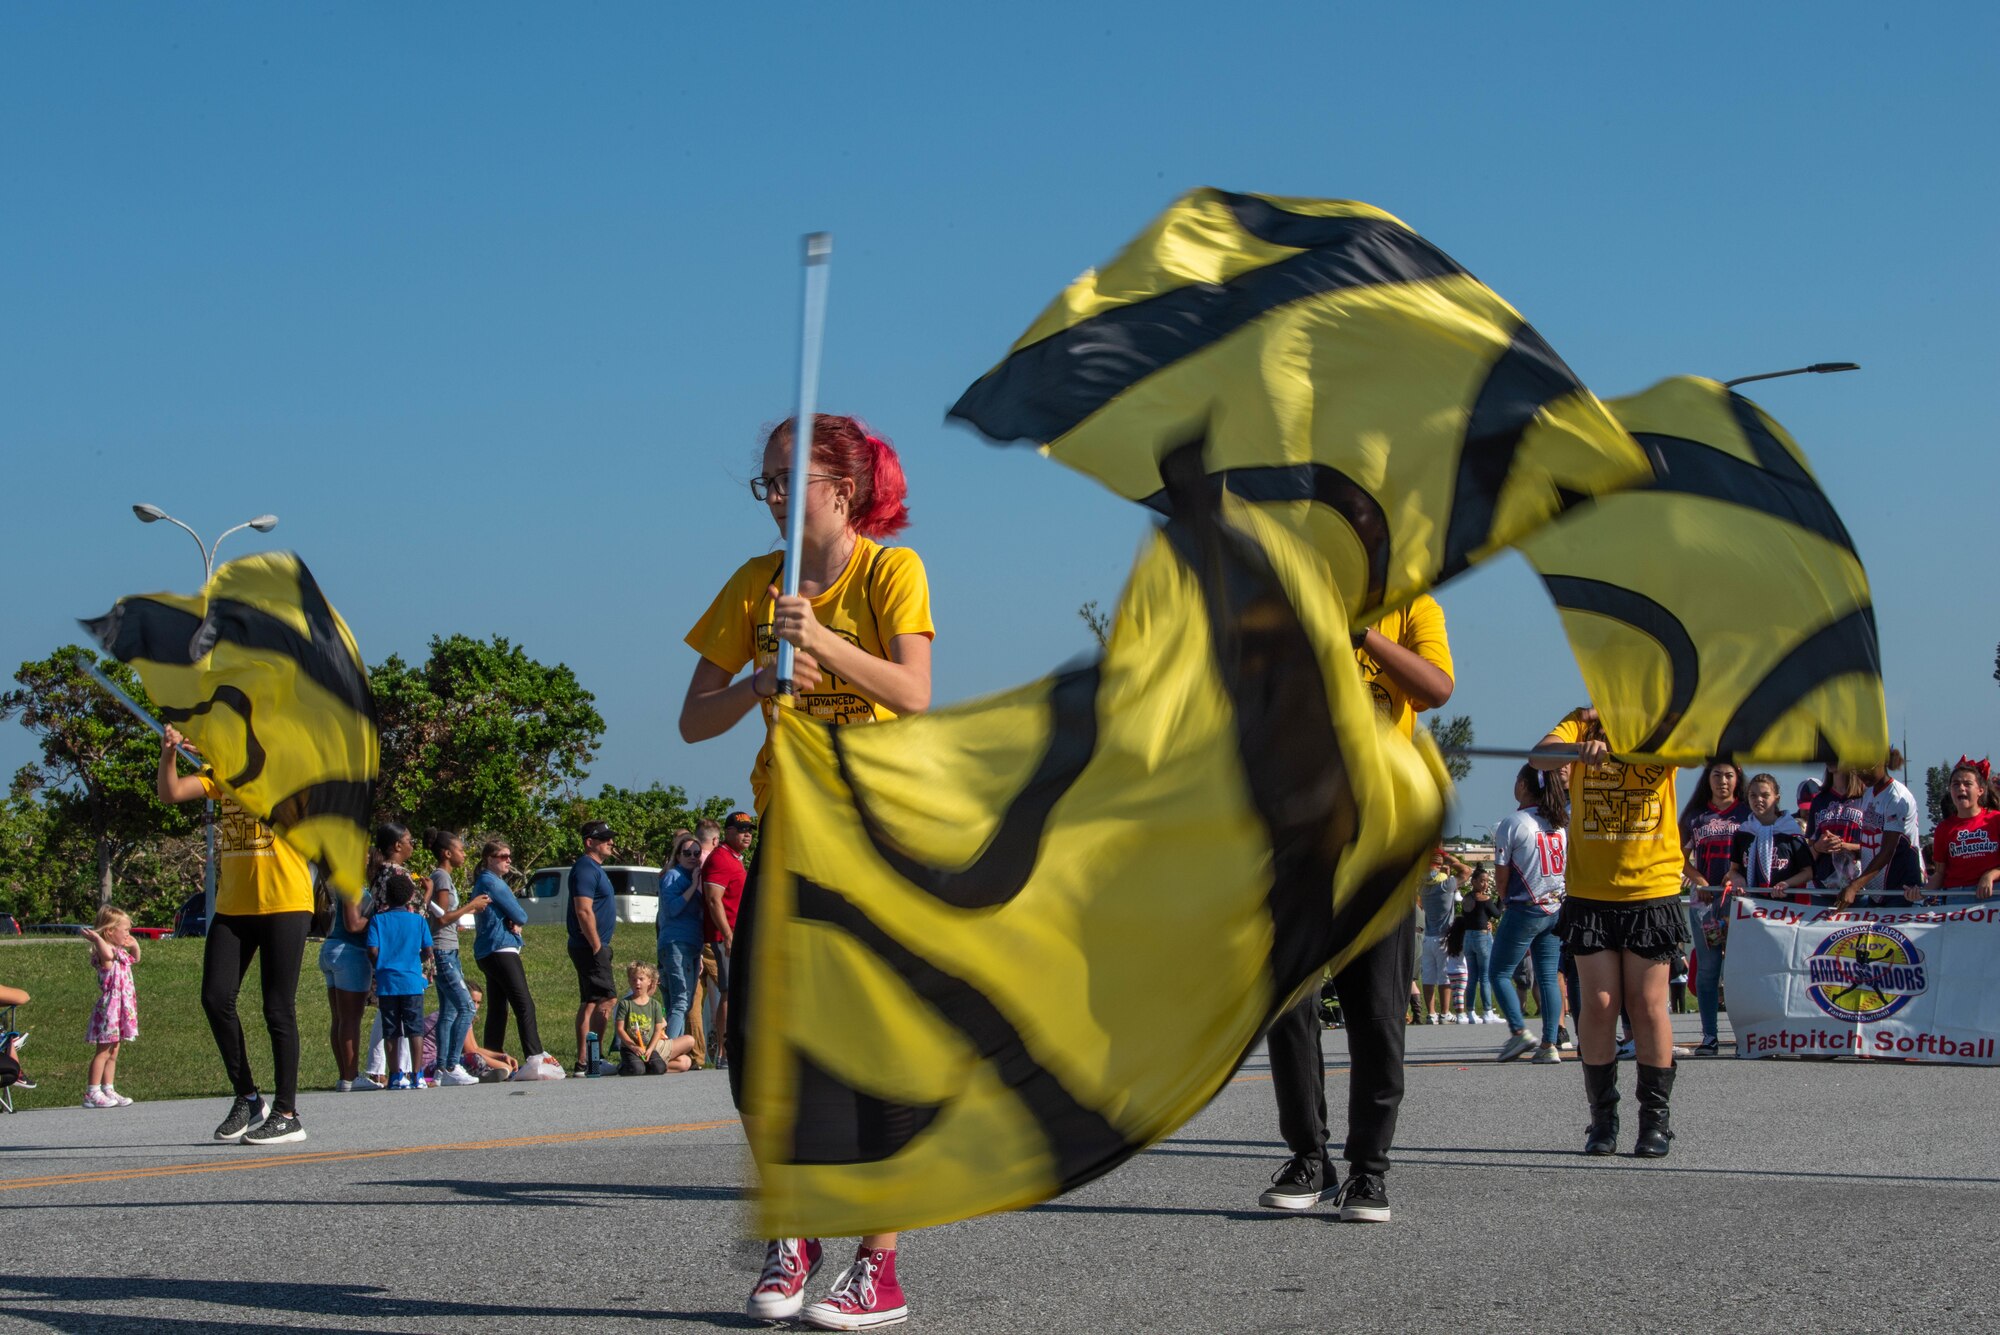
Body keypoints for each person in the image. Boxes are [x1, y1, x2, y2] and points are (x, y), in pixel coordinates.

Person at [681, 413, 933, 1328]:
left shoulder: (890, 573)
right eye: (767, 481)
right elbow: (692, 719)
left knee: (870, 1047)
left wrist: (822, 641)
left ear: (844, 489)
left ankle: (879, 1264)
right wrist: (759, 679)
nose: (775, 496)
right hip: (789, 824)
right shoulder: (756, 584)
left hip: (875, 827)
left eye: (790, 480)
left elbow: (914, 691)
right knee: (754, 1042)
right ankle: (795, 1233)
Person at [1258, 590, 1454, 1223]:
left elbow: (1437, 688)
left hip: (1381, 842)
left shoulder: (1413, 606)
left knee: (1376, 1011)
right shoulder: (1297, 596)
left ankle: (1369, 1171)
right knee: (1289, 1004)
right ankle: (1308, 1157)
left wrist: (1365, 635)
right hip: (1302, 841)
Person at [1534, 707, 1687, 1157]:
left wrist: (1644, 737)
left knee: (1647, 1004)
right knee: (1599, 1004)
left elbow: (1695, 751)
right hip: (1592, 892)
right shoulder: (1582, 721)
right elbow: (1539, 756)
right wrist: (1578, 748)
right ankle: (1602, 1119)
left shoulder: (1662, 721)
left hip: (1651, 888)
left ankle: (1655, 1121)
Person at [156, 724, 312, 1144]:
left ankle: (287, 1113)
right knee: (215, 997)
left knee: (277, 1008)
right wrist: (170, 752)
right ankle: (248, 1096)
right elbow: (171, 792)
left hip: (285, 901)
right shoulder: (220, 771)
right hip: (234, 904)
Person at [1490, 765, 1569, 1064]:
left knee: (1498, 972)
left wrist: (1505, 900)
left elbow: (1501, 877)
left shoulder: (1512, 823)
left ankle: (1519, 1030)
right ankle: (1550, 1043)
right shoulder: (1559, 823)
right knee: (1548, 977)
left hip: (1525, 906)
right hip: (1555, 906)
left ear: (1523, 785)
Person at [1680, 762, 1748, 1059]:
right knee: (1707, 970)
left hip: (1740, 900)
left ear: (1738, 778)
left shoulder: (1747, 813)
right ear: (1707, 779)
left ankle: (1745, 1035)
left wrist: (1738, 876)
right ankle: (1709, 1036)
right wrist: (1700, 881)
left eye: (1729, 775)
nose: (1723, 781)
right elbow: (1679, 858)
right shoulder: (1695, 817)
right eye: (1717, 775)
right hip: (1704, 901)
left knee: (1739, 970)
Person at [471, 837, 545, 1062]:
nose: (508, 860)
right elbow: (521, 915)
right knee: (524, 1005)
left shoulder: (484, 881)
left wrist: (513, 919)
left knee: (498, 1008)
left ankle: (492, 1058)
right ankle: (534, 1056)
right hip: (501, 949)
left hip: (487, 951)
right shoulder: (493, 882)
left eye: (509, 856)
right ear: (489, 859)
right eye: (503, 856)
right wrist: (516, 920)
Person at [424, 830, 488, 1084]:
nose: (464, 854)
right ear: (447, 853)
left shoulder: (444, 877)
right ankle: (452, 1065)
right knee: (467, 1007)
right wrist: (471, 906)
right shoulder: (441, 877)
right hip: (443, 951)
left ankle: (442, 1068)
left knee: (449, 1011)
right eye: (460, 850)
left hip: (448, 949)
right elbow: (441, 918)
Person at [365, 869, 432, 1091]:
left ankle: (395, 1075)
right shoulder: (418, 921)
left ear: (387, 895)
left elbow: (372, 950)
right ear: (410, 896)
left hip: (387, 982)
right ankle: (417, 1074)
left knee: (391, 1029)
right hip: (412, 980)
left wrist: (381, 963)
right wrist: (415, 961)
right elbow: (428, 950)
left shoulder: (378, 920)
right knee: (415, 1029)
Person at [1838, 751, 1926, 909]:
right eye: (1857, 769)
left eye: (1868, 768)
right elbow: (1871, 841)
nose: (1863, 774)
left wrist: (1855, 886)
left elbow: (1887, 851)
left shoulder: (1896, 798)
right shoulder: (1868, 793)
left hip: (1901, 890)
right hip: (1877, 892)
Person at [701, 813, 755, 1068]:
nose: (747, 834)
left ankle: (736, 1048)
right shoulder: (720, 858)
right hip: (725, 937)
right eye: (741, 829)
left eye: (750, 830)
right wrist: (729, 935)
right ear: (728, 831)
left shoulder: (734, 858)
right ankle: (724, 1052)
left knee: (737, 991)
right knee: (728, 991)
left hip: (738, 934)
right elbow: (714, 900)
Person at [567, 820, 620, 1076]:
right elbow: (583, 910)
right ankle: (593, 1060)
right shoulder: (585, 868)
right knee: (607, 999)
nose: (611, 842)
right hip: (590, 946)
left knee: (590, 1002)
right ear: (590, 842)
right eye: (605, 838)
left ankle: (583, 1062)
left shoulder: (594, 868)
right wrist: (597, 946)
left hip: (590, 945)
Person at [80, 907, 141, 1108]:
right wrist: (97, 939)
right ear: (110, 931)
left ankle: (108, 1088)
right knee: (104, 1051)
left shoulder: (120, 953)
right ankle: (92, 1091)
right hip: (110, 1009)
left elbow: (136, 959)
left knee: (114, 1051)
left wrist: (135, 945)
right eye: (125, 930)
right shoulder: (104, 953)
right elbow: (107, 954)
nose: (128, 934)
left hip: (122, 1006)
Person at [1728, 774, 1816, 898]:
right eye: (1753, 795)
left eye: (1765, 795)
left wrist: (1786, 884)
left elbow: (1808, 872)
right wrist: (1737, 879)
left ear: (1777, 799)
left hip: (1785, 904)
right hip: (1749, 903)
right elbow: (1733, 870)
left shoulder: (1790, 831)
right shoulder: (1743, 832)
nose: (1758, 799)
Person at [657, 834, 706, 1041]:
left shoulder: (691, 877)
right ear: (678, 855)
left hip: (692, 946)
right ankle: (668, 1051)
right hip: (676, 944)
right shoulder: (673, 876)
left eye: (697, 853)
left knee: (677, 1003)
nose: (692, 857)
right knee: (681, 1001)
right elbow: (672, 909)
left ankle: (668, 1048)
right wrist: (693, 886)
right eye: (687, 853)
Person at [1927, 758, 2000, 897]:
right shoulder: (1943, 828)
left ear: (1980, 790)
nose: (1961, 788)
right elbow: (1939, 874)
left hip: (1994, 895)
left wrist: (1990, 875)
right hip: (1957, 898)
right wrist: (1920, 892)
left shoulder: (1996, 820)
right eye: (1956, 784)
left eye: (1967, 784)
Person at [615, 962, 698, 1075]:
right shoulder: (625, 1004)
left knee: (659, 1068)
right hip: (632, 1048)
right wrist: (633, 1047)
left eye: (641, 979)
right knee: (637, 1070)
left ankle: (645, 1066)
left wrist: (650, 1049)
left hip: (650, 1046)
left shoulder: (655, 1005)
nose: (637, 983)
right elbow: (620, 1029)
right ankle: (625, 1067)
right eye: (634, 980)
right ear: (629, 981)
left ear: (650, 981)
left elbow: (657, 1030)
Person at [1419, 850, 1469, 1023]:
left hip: (1428, 937)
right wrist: (1448, 857)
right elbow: (1466, 871)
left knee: (1428, 977)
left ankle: (1431, 1013)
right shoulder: (1445, 886)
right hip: (1443, 937)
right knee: (1444, 977)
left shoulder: (1423, 887)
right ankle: (1445, 1012)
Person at [1806, 767, 1868, 890]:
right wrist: (1819, 847)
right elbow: (1809, 853)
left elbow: (1878, 849)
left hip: (1858, 886)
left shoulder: (1866, 797)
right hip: (1822, 886)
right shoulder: (1819, 800)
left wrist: (1844, 846)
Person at [1459, 864, 1499, 1023]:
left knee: (1472, 977)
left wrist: (1487, 921)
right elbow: (1497, 913)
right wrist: (1501, 899)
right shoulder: (1485, 899)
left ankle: (1470, 1011)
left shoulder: (1466, 898)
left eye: (1487, 881)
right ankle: (1488, 1011)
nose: (1485, 884)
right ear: (1474, 881)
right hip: (1482, 937)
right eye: (1482, 881)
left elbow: (1471, 915)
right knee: (1485, 976)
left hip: (1468, 937)